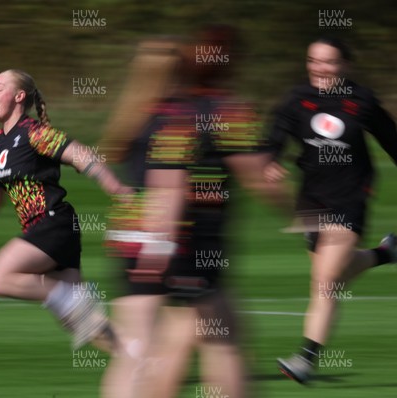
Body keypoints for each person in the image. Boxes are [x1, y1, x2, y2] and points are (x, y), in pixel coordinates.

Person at [101, 26, 290, 398]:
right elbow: (171, 188)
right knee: (220, 340)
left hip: (128, 237)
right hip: (173, 241)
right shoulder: (192, 115)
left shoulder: (133, 115)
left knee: (148, 346)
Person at [0, 69, 131, 349]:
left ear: (18, 96)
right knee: (86, 326)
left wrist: (115, 188)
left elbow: (81, 155)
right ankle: (139, 358)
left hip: (54, 224)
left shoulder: (35, 133)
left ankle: (71, 298)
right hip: (46, 230)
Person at [268, 37, 397, 384]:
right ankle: (385, 253)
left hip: (350, 199)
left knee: (324, 283)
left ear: (344, 65)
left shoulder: (362, 100)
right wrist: (271, 160)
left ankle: (305, 359)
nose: (320, 68)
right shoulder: (297, 99)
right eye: (314, 60)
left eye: (329, 62)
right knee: (333, 279)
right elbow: (276, 134)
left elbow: (392, 139)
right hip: (311, 202)